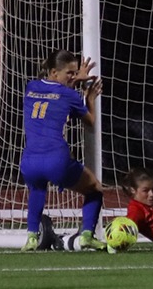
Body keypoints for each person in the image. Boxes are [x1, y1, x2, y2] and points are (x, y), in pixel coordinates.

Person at [20, 49, 106, 252]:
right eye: (70, 73)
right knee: (95, 188)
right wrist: (89, 97)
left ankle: (32, 237)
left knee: (37, 189)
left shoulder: (30, 86)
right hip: (56, 159)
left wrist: (74, 81)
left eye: (75, 72)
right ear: (53, 72)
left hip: (29, 161)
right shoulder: (70, 95)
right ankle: (87, 235)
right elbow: (90, 122)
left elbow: (52, 93)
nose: (74, 77)